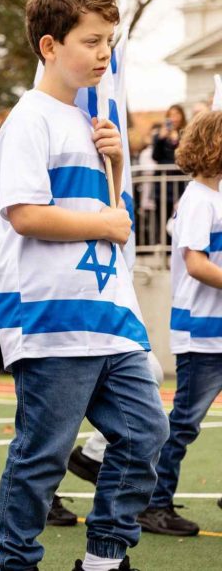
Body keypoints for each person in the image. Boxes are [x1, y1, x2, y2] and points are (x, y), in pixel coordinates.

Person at [0, 0, 168, 571]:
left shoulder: (95, 127)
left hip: (110, 315)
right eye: (91, 41)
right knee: (42, 455)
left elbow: (110, 215)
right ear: (49, 46)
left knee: (146, 434)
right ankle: (15, 561)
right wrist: (106, 225)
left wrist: (116, 165)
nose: (102, 54)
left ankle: (103, 558)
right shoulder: (29, 120)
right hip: (53, 317)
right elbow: (25, 214)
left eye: (109, 42)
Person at [135, 110, 222, 537]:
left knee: (186, 420)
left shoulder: (214, 197)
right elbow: (197, 264)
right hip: (202, 334)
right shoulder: (197, 200)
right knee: (184, 422)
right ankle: (153, 503)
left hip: (217, 329)